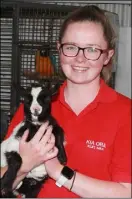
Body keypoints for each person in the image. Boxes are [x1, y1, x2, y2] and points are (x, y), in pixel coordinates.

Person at [1, 5, 131, 198]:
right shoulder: (34, 107)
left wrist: (59, 173)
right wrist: (25, 164)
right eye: (71, 47)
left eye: (92, 49)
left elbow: (126, 192)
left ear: (107, 56)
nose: (80, 58)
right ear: (59, 49)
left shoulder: (125, 112)